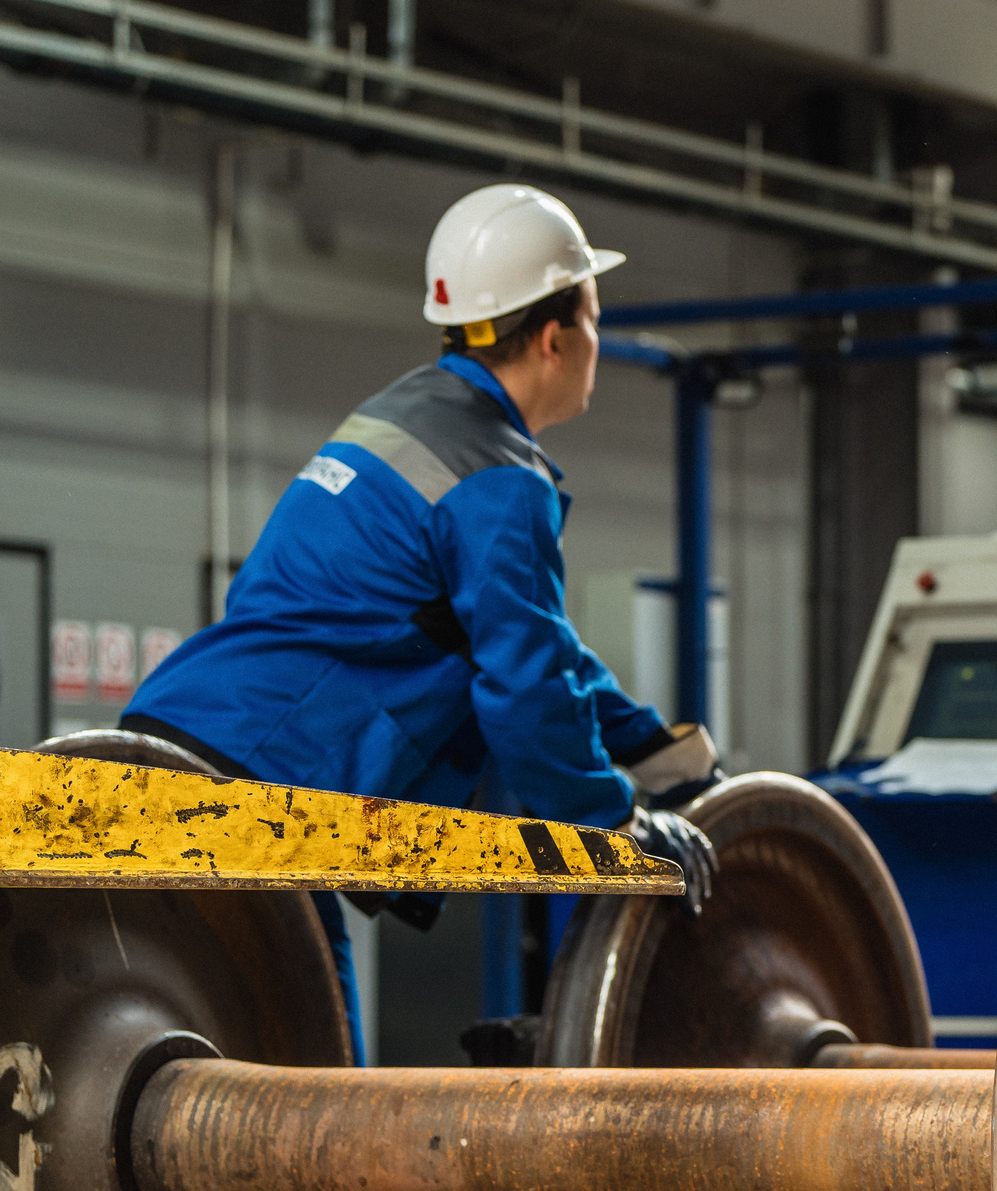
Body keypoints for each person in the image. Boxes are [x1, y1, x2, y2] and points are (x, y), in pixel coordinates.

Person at [124, 185, 719, 1056]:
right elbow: (524, 693)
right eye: (595, 318)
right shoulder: (499, 480)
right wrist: (616, 821)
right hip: (261, 803)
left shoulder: (397, 417)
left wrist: (652, 746)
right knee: (311, 1108)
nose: (599, 344)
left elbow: (536, 649)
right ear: (556, 338)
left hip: (165, 746)